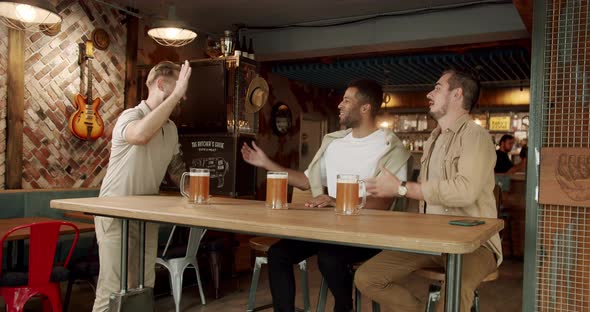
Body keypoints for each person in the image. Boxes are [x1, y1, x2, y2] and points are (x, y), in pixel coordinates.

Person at [241, 79, 410, 312]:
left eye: (347, 100)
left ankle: (344, 307)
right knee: (278, 254)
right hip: (330, 229)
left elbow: (383, 202)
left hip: (369, 234)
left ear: (365, 108)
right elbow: (306, 181)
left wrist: (335, 200)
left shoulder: (390, 146)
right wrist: (265, 163)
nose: (340, 105)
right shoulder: (334, 143)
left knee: (328, 257)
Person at [355, 69, 502, 312]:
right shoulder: (433, 139)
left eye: (436, 88)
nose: (429, 93)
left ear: (457, 95)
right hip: (432, 239)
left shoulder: (476, 136)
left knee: (454, 293)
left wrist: (402, 188)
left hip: (475, 244)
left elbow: (465, 192)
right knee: (367, 277)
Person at [92, 60, 191, 312]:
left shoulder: (171, 129)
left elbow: (177, 171)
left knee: (143, 287)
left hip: (146, 215)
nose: (184, 95)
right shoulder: (131, 116)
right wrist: (177, 94)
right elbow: (140, 136)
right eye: (179, 88)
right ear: (160, 84)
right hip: (114, 212)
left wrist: (195, 189)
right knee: (112, 289)